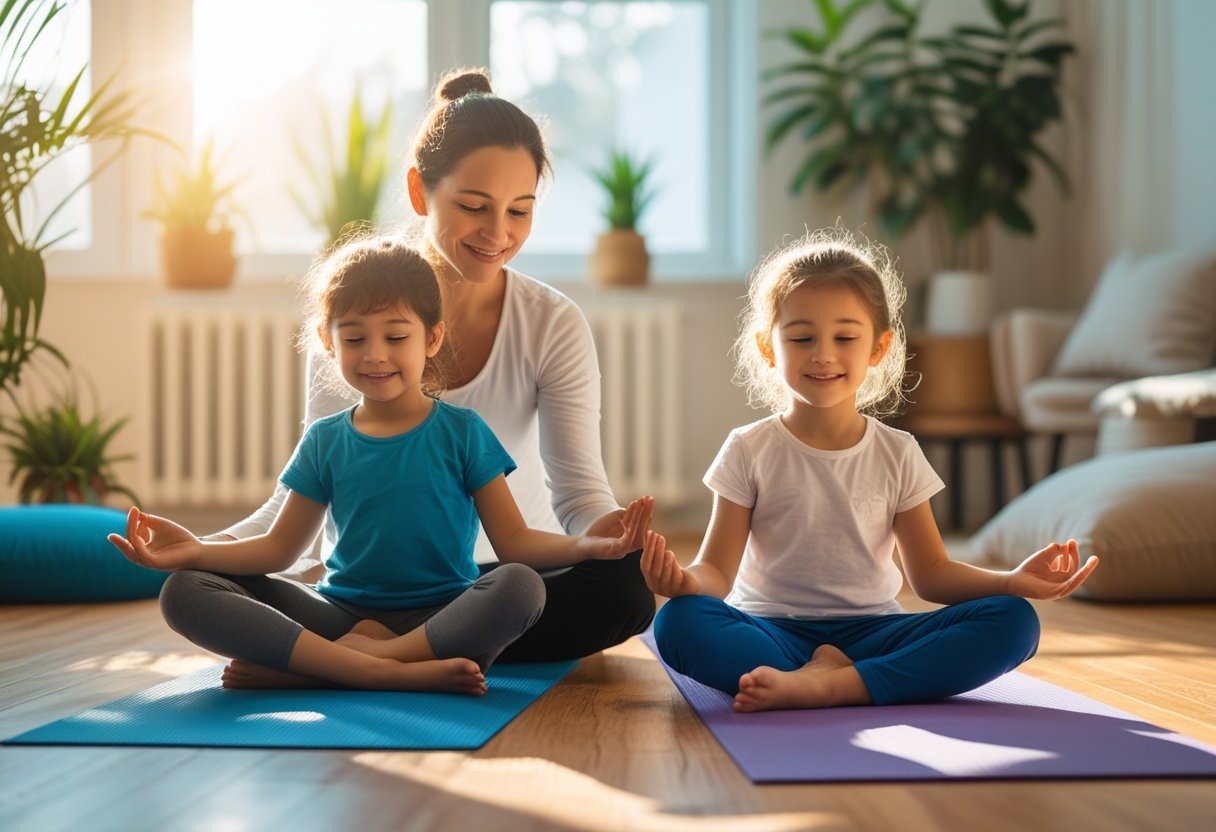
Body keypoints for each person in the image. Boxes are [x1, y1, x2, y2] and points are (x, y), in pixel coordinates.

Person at [195, 67, 657, 667]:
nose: (498, 233)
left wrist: (608, 537)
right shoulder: (353, 325)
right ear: (420, 192)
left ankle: (342, 661)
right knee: (195, 585)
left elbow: (578, 490)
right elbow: (293, 517)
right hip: (361, 596)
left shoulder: (551, 321)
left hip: (501, 583)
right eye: (473, 206)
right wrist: (199, 549)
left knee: (623, 589)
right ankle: (408, 654)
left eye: (520, 211)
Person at [110, 237, 652, 693]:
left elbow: (514, 544)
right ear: (328, 342)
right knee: (184, 590)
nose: (375, 355)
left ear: (431, 337)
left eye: (396, 337)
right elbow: (281, 549)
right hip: (339, 614)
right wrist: (198, 550)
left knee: (520, 586)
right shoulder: (326, 440)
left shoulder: (463, 433)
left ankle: (336, 667)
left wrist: (589, 546)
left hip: (442, 616)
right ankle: (375, 670)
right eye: (354, 338)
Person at [641, 228, 1099, 712]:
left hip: (876, 633)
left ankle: (830, 684)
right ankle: (841, 680)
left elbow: (931, 575)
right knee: (679, 623)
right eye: (801, 337)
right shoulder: (748, 448)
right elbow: (716, 570)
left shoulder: (898, 451)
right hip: (771, 632)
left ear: (878, 348)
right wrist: (685, 583)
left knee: (1015, 622)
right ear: (769, 347)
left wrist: (1009, 581)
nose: (823, 353)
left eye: (845, 337)